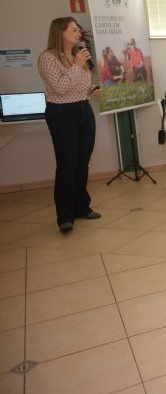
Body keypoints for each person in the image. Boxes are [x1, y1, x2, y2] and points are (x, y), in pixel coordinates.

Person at [37, 16, 102, 232]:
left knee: (82, 162)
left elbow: (79, 85)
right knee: (67, 164)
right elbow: (59, 88)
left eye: (78, 30)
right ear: (60, 32)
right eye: (74, 30)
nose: (78, 34)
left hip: (84, 109)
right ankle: (65, 216)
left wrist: (91, 89)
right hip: (62, 113)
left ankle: (82, 207)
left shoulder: (77, 55)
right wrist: (76, 66)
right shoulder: (47, 58)